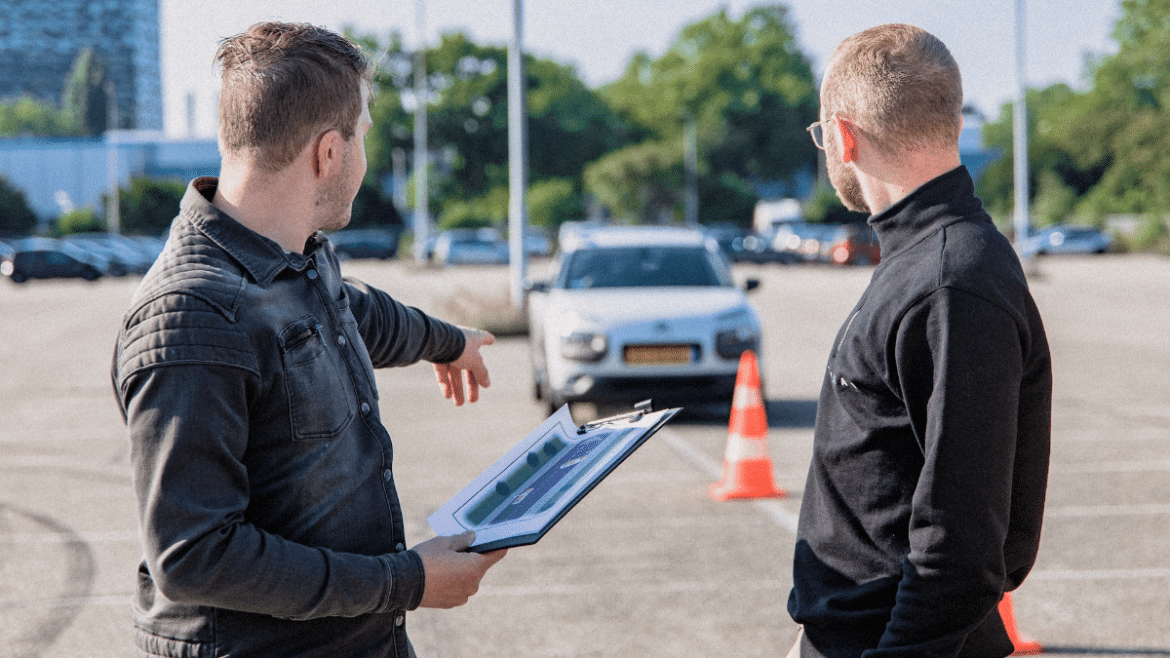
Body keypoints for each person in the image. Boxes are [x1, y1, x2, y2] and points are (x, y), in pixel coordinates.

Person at [111, 22, 506, 658]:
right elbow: (194, 557)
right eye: (364, 141)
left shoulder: (294, 257)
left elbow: (352, 314)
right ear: (327, 153)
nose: (364, 159)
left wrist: (446, 339)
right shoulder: (191, 317)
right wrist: (406, 581)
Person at [787, 24, 1052, 658]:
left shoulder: (950, 282)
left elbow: (961, 547)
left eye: (824, 135)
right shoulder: (925, 261)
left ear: (845, 136)